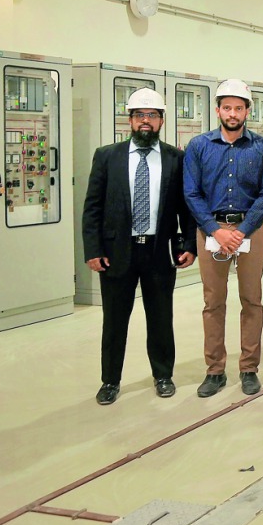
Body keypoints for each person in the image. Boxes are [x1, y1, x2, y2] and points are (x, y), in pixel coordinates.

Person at [82, 88, 196, 405]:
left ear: (161, 120)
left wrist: (188, 244)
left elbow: (185, 207)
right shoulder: (107, 156)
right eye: (139, 115)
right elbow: (92, 207)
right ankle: (110, 381)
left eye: (152, 115)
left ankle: (163, 376)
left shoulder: (176, 158)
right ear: (130, 120)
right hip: (117, 252)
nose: (146, 121)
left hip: (159, 252)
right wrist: (93, 249)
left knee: (161, 319)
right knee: (115, 321)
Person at [184, 79, 263, 398]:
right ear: (217, 110)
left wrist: (239, 231)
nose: (233, 113)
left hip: (249, 232)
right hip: (211, 231)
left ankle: (249, 368)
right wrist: (216, 230)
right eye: (227, 107)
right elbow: (191, 192)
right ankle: (215, 371)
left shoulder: (262, 147)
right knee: (213, 302)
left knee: (251, 300)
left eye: (239, 108)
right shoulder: (199, 146)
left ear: (248, 110)